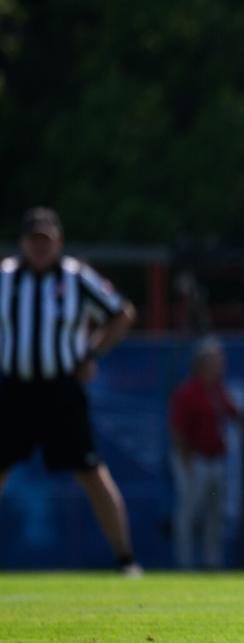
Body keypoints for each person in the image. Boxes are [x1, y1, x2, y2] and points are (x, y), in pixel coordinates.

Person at [0, 207, 141, 575]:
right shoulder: (5, 278)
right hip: (15, 388)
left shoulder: (77, 278)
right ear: (22, 243)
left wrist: (91, 353)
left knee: (91, 472)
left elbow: (122, 312)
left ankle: (125, 559)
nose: (40, 247)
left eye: (46, 240)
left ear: (58, 242)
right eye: (34, 240)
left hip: (61, 389)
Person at [169, 337, 239, 569]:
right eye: (215, 360)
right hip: (194, 459)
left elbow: (234, 414)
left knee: (214, 515)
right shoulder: (188, 392)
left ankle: (212, 562)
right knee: (189, 514)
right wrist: (185, 460)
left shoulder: (218, 390)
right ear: (202, 363)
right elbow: (178, 430)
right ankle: (185, 563)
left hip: (216, 460)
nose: (220, 364)